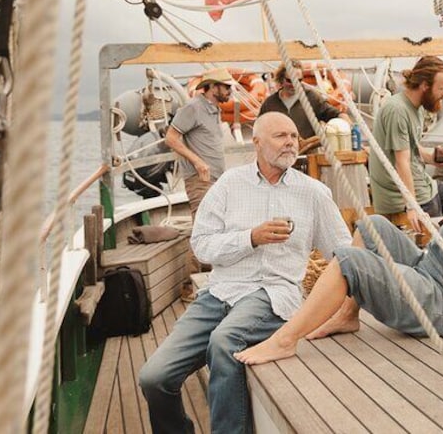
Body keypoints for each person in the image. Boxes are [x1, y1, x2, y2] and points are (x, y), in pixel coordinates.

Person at [139, 112, 352, 434]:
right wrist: (250, 238)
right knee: (154, 378)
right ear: (257, 143)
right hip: (219, 291)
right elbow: (201, 246)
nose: (291, 143)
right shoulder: (228, 184)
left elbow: (343, 253)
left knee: (224, 342)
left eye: (294, 136)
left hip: (272, 293)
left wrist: (350, 305)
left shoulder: (313, 193)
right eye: (281, 136)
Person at [233, 125, 443, 366]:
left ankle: (284, 341)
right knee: (373, 225)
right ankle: (347, 314)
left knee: (348, 261)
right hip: (435, 272)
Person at [369, 55, 443, 229]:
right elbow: (402, 162)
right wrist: (412, 206)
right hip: (406, 196)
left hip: (424, 184)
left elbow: (413, 148)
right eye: (441, 89)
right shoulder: (397, 111)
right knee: (439, 243)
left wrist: (434, 158)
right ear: (424, 86)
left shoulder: (417, 108)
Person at [166, 67, 235, 220]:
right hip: (200, 179)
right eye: (226, 87)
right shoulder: (193, 107)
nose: (230, 90)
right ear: (212, 87)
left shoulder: (215, 108)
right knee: (203, 223)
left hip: (216, 178)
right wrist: (198, 162)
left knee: (216, 222)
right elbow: (170, 138)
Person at [258, 59, 348, 141]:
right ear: (281, 79)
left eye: (299, 80)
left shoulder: (312, 98)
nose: (295, 84)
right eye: (290, 81)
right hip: (280, 155)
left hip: (307, 155)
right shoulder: (270, 104)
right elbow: (259, 128)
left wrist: (346, 123)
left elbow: (334, 113)